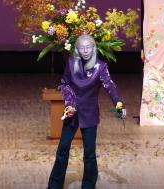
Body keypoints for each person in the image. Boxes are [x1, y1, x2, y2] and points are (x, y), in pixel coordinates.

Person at [47, 34, 126, 189]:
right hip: (72, 112)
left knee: (89, 154)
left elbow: (110, 86)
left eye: (88, 47)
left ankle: (88, 185)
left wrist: (119, 104)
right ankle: (54, 186)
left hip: (89, 113)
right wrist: (70, 103)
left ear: (93, 47)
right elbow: (64, 84)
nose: (85, 50)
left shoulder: (101, 66)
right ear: (77, 49)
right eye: (82, 47)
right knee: (62, 150)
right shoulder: (71, 63)